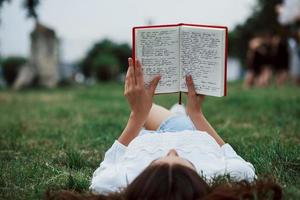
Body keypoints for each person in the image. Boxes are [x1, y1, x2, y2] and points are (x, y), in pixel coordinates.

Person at [47, 58, 282, 200]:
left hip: (142, 139)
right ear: (199, 181)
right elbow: (229, 153)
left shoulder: (116, 181)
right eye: (184, 161)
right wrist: (196, 115)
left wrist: (136, 116)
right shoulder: (229, 173)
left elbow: (109, 164)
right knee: (176, 117)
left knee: (148, 110)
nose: (171, 151)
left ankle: (175, 111)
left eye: (159, 161)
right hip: (183, 130)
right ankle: (179, 112)